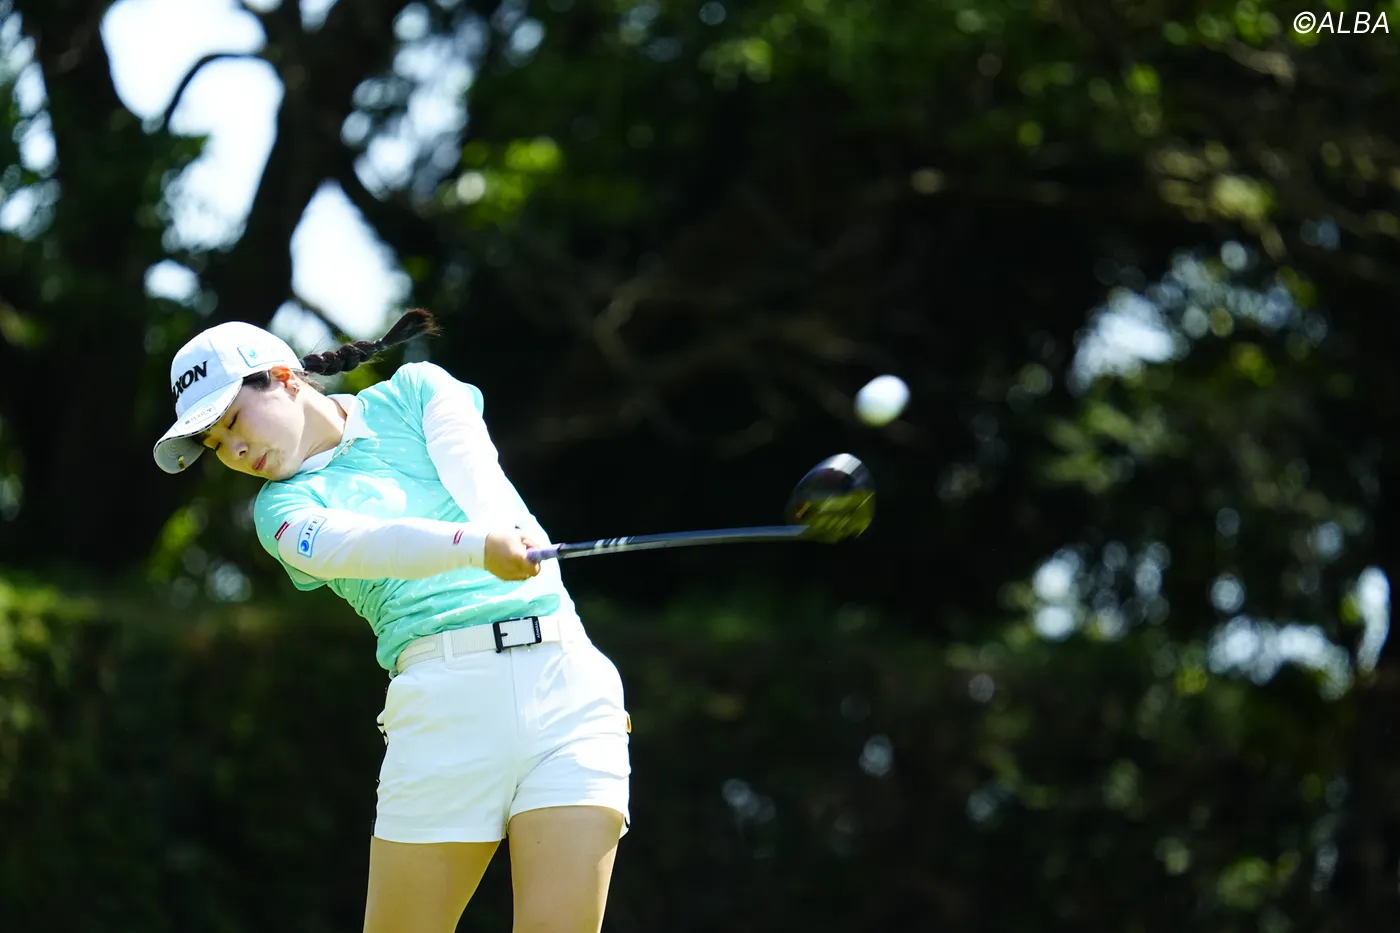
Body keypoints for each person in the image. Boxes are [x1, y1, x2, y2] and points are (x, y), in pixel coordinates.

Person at [152, 310, 631, 933]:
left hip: (569, 687)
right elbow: (370, 544)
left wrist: (501, 531)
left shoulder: (417, 390)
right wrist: (478, 546)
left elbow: (476, 474)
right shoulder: (280, 512)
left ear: (284, 377)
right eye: (217, 445)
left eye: (234, 421)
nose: (235, 451)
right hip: (444, 709)